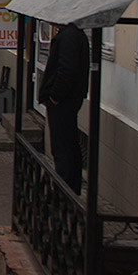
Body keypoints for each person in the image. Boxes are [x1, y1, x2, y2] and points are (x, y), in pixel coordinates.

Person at [37, 22, 90, 194]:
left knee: (62, 146)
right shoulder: (74, 34)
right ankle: (70, 187)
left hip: (64, 100)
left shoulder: (69, 36)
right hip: (69, 99)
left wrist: (55, 96)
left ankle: (64, 190)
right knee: (68, 143)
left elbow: (67, 69)